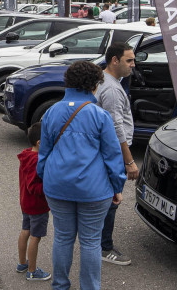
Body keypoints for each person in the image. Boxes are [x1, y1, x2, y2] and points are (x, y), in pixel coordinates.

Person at [37, 61, 125, 290]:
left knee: (63, 238)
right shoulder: (100, 115)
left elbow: (43, 154)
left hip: (57, 186)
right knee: (90, 242)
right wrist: (117, 187)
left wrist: (44, 177)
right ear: (94, 85)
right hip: (94, 190)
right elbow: (113, 157)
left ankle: (60, 285)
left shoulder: (51, 112)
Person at [95, 43, 138, 266]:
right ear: (114, 60)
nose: (133, 64)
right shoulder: (111, 88)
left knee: (105, 198)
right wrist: (129, 161)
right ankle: (104, 247)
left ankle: (95, 241)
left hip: (106, 152)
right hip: (113, 154)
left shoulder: (106, 80)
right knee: (112, 200)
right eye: (129, 60)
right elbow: (115, 126)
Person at [17, 123, 52, 282]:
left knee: (25, 230)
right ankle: (32, 271)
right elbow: (33, 186)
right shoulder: (37, 161)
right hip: (37, 205)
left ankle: (22, 263)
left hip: (26, 202)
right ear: (39, 142)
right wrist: (50, 186)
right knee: (35, 237)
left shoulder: (27, 155)